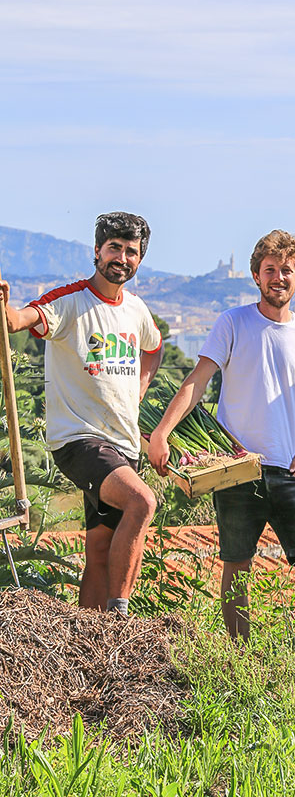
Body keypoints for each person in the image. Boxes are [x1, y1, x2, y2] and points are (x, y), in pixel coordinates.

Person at [148, 230, 295, 643]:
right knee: (237, 565)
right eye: (270, 270)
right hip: (234, 469)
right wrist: (162, 432)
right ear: (255, 275)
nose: (278, 277)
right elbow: (197, 382)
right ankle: (239, 659)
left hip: (288, 468)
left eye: (287, 270)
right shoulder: (233, 321)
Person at [0, 212, 163, 615]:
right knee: (142, 501)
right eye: (114, 248)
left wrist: (138, 393)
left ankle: (88, 635)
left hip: (123, 443)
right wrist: (5, 310)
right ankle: (120, 618)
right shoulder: (71, 302)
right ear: (96, 250)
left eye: (131, 251)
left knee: (101, 548)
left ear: (139, 259)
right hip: (79, 440)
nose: (121, 258)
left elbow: (154, 347)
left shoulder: (137, 311)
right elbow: (20, 320)